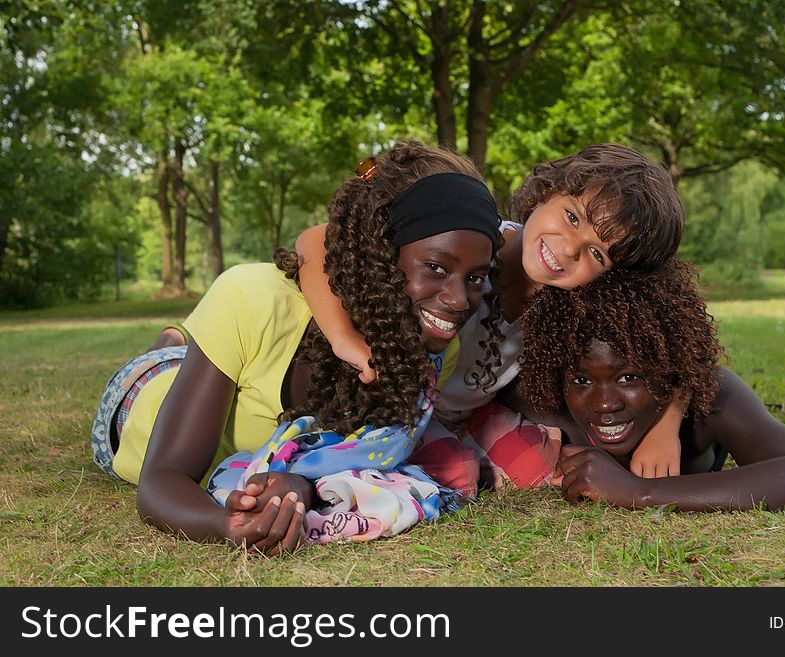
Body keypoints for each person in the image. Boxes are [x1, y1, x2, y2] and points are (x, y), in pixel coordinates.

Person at [90, 141, 502, 553]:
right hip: (135, 406)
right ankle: (169, 343)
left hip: (219, 363)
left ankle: (181, 341)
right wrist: (227, 525)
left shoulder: (431, 347)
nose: (458, 300)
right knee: (160, 364)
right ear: (377, 252)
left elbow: (347, 456)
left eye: (475, 278)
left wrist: (298, 486)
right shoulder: (250, 297)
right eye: (436, 267)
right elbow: (161, 480)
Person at [295, 144, 688, 498]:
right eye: (571, 217)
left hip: (469, 412)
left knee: (541, 467)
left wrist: (666, 427)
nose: (569, 249)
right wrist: (343, 338)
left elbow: (681, 346)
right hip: (400, 403)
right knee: (457, 474)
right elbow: (314, 240)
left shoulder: (571, 303)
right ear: (547, 192)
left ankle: (464, 452)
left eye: (597, 254)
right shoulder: (471, 237)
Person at [517, 259, 785, 511]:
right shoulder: (546, 407)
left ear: (670, 368)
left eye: (629, 377)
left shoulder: (708, 399)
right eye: (582, 380)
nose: (604, 404)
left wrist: (636, 492)